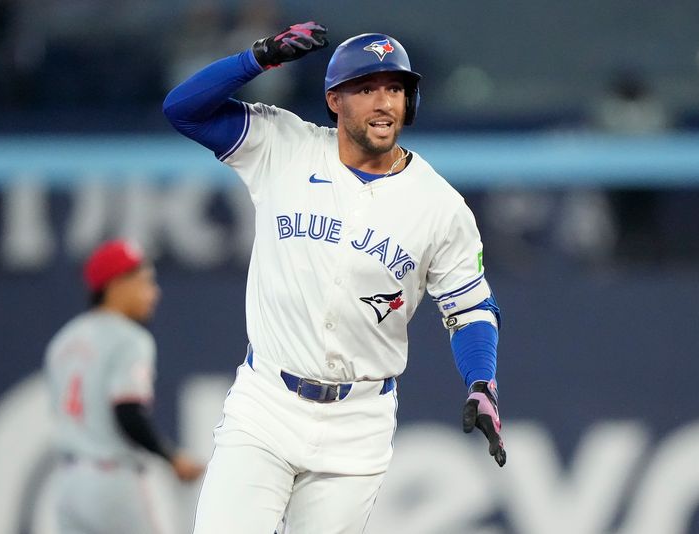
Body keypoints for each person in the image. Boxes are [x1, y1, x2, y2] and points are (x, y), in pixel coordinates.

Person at [163, 23, 506, 533]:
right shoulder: (284, 146)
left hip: (358, 421)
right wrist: (259, 59)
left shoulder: (441, 206)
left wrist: (482, 381)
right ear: (333, 100)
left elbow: (471, 309)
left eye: (395, 88)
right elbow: (182, 109)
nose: (384, 102)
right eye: (366, 88)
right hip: (267, 404)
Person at [44, 239, 205, 534]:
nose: (154, 293)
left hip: (67, 483)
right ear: (117, 284)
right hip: (113, 479)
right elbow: (128, 412)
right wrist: (173, 458)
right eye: (145, 282)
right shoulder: (130, 339)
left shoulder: (62, 342)